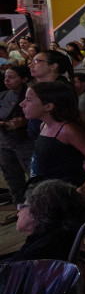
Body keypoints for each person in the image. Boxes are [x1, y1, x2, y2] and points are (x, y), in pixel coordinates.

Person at [22, 82, 85, 202]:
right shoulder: (44, 126)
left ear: (48, 106)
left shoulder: (68, 130)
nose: (22, 104)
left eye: (28, 100)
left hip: (70, 194)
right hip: (49, 191)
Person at [1, 179, 85, 263]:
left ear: (38, 212)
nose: (19, 212)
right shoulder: (61, 237)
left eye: (23, 207)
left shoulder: (39, 254)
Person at [0, 66, 34, 223]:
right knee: (12, 176)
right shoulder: (2, 96)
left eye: (12, 77)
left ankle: (36, 207)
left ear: (24, 79)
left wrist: (24, 122)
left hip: (25, 141)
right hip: (4, 142)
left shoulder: (31, 94)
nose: (7, 80)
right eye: (6, 77)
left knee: (33, 175)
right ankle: (20, 209)